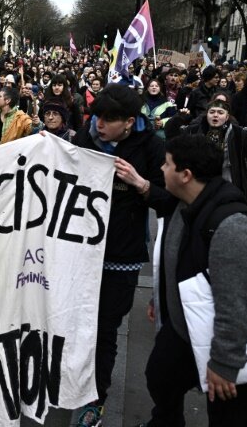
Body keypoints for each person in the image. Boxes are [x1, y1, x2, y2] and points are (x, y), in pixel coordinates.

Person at [139, 134, 247, 427]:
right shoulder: (184, 204)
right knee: (161, 377)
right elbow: (178, 261)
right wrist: (160, 297)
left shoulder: (232, 227)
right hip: (186, 328)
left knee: (229, 415)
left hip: (236, 347)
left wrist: (224, 364)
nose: (161, 169)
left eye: (167, 164)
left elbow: (236, 304)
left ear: (185, 174)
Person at [72, 84, 170, 426]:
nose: (99, 124)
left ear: (129, 122)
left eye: (109, 119)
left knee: (105, 328)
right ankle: (70, 378)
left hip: (121, 253)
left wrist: (141, 184)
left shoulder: (151, 146)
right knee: (74, 320)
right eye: (97, 116)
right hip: (80, 248)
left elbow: (169, 199)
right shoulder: (85, 138)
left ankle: (95, 398)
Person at [165, 97, 247, 202]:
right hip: (198, 190)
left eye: (220, 112)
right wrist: (179, 118)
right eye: (212, 112)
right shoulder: (193, 132)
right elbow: (171, 135)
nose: (215, 115)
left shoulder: (238, 134)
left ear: (227, 117)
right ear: (207, 114)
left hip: (229, 189)